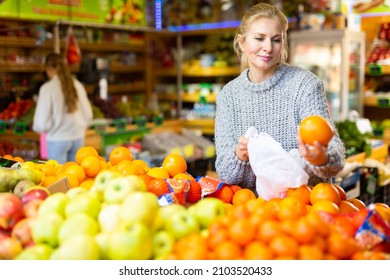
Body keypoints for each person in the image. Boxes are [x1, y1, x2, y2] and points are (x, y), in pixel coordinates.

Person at [214, 3, 345, 197]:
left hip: (305, 208)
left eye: (276, 40)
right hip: (252, 212)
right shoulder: (228, 96)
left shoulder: (305, 85)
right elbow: (224, 171)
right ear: (242, 43)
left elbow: (336, 156)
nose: (267, 48)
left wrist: (321, 157)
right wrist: (239, 156)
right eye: (259, 38)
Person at [33, 52, 93, 164]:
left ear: (48, 68)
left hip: (57, 140)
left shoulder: (48, 88)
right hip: (78, 139)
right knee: (75, 177)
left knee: (58, 178)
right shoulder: (77, 85)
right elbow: (88, 115)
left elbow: (41, 123)